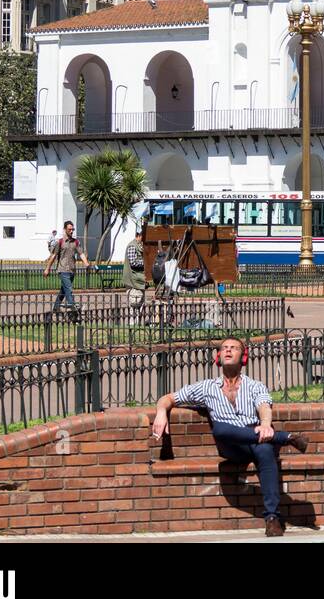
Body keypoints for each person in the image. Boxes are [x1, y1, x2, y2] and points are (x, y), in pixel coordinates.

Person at [151, 337, 308, 537]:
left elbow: (264, 406)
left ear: (243, 357)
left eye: (233, 348)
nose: (228, 351)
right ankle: (284, 437)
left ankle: (272, 519)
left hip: (257, 437)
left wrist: (266, 425)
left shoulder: (254, 385)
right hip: (230, 445)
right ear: (218, 356)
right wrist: (161, 412)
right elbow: (168, 399)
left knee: (266, 451)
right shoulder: (206, 387)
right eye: (224, 348)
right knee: (220, 430)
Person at [44, 220, 88, 313]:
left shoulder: (75, 242)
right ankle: (73, 307)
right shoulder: (60, 242)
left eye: (73, 229)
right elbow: (53, 256)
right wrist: (47, 269)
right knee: (68, 288)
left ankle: (56, 307)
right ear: (65, 230)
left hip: (72, 270)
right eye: (69, 229)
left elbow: (81, 253)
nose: (71, 231)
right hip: (62, 269)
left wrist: (86, 263)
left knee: (64, 290)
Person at [122, 228, 147, 318]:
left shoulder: (139, 245)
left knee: (140, 302)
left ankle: (138, 323)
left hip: (138, 279)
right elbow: (133, 263)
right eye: (143, 237)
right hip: (133, 280)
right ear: (138, 236)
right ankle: (133, 324)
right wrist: (146, 263)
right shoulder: (132, 246)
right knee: (134, 302)